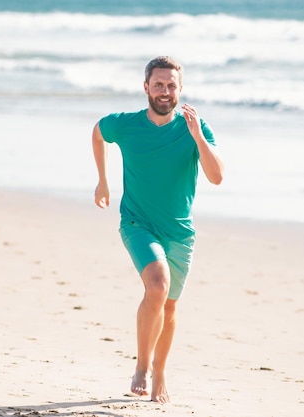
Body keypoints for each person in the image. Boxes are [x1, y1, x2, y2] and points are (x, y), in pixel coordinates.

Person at [91, 56, 224, 403]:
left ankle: (161, 372)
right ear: (146, 87)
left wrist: (198, 138)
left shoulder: (195, 127)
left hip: (179, 232)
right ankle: (142, 366)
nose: (165, 92)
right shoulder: (127, 125)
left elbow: (217, 176)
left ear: (180, 89)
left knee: (168, 307)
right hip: (137, 223)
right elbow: (98, 132)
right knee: (157, 284)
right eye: (158, 84)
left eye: (171, 86)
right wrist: (103, 182)